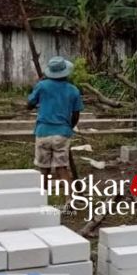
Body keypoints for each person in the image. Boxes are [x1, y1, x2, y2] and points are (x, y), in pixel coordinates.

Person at [27, 56, 83, 192]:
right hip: (62, 133)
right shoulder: (73, 90)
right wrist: (69, 127)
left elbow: (29, 105)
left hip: (43, 132)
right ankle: (69, 199)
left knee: (43, 169)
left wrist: (38, 86)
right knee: (62, 168)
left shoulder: (42, 86)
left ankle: (43, 197)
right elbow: (76, 115)